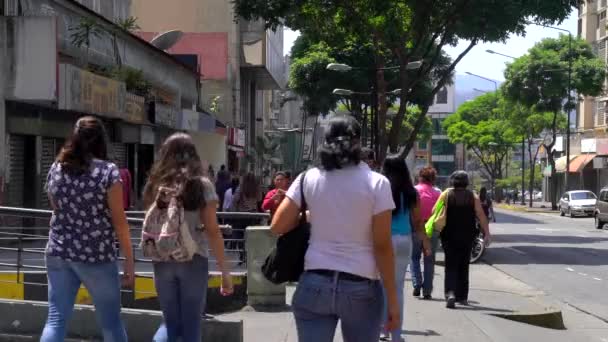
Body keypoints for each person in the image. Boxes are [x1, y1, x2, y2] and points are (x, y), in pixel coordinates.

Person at [271, 115, 400, 342]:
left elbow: (278, 225)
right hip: (361, 286)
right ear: (358, 142)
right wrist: (392, 299)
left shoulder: (308, 178)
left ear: (325, 140)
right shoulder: (377, 183)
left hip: (314, 283)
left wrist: (311, 215)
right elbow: (382, 246)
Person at [41, 116, 134, 342]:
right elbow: (119, 221)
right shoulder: (108, 172)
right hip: (97, 256)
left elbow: (55, 206)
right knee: (111, 322)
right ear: (101, 140)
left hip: (59, 251)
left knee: (55, 319)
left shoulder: (57, 167)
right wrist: (129, 260)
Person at [143, 133, 233, 341]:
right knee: (191, 325)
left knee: (169, 323)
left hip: (163, 258)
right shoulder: (202, 185)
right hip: (193, 259)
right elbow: (212, 230)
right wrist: (225, 272)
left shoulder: (155, 184)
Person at [381, 156, 431, 342]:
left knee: (382, 286)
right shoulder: (411, 192)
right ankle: (396, 334)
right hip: (404, 241)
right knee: (398, 287)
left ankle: (383, 330)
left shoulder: (380, 189)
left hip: (383, 240)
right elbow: (418, 222)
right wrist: (425, 243)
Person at [441, 171, 491, 309]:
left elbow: (436, 212)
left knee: (450, 265)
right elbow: (481, 215)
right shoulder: (472, 196)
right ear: (466, 182)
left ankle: (450, 293)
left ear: (453, 182)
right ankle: (462, 297)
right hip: (467, 236)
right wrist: (487, 233)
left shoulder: (446, 194)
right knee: (464, 265)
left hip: (448, 235)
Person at [411, 166, 441, 300]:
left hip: (415, 227)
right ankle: (427, 290)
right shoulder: (438, 192)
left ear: (420, 177)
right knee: (429, 260)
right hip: (432, 229)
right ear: (433, 179)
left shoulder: (413, 190)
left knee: (414, 257)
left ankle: (417, 283)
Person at [231, 172, 262, 264]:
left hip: (241, 215)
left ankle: (242, 256)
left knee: (240, 237)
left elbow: (235, 199)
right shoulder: (256, 188)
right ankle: (250, 257)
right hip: (253, 215)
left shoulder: (241, 188)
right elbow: (259, 199)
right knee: (251, 237)